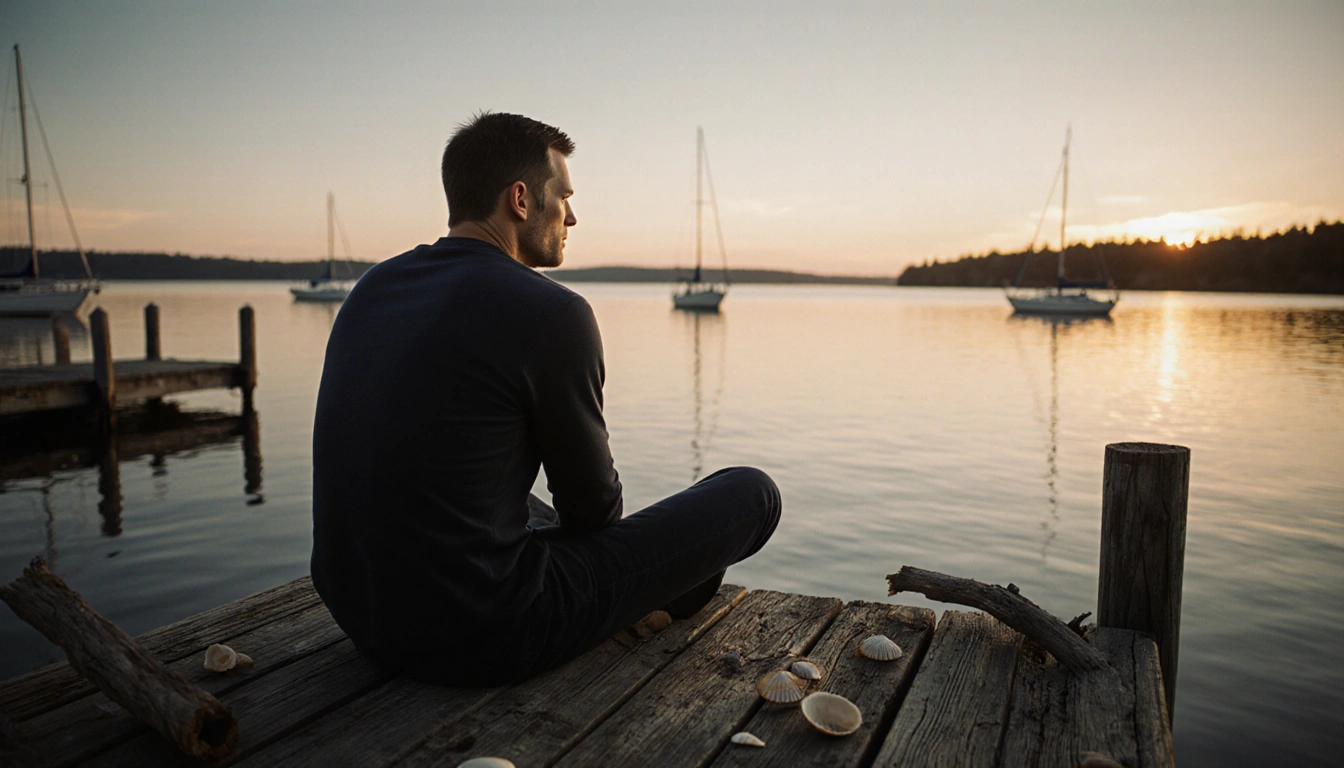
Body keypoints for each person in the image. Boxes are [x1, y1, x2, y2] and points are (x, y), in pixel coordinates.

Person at [310, 112, 780, 687]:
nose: (573, 216)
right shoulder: (553, 312)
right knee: (752, 494)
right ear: (521, 199)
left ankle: (650, 582)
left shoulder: (372, 288)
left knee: (506, 497)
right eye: (564, 195)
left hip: (362, 617)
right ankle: (654, 597)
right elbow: (594, 514)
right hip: (482, 633)